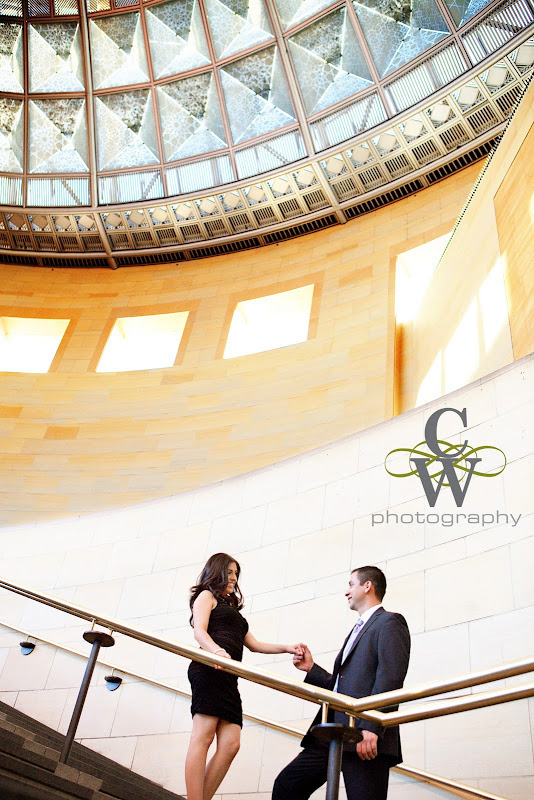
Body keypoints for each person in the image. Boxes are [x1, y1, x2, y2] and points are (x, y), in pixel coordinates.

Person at [272, 565, 410, 800]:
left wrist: (372, 727)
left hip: (363, 736)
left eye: (351, 584)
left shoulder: (389, 622)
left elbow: (390, 678)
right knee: (287, 786)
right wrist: (311, 669)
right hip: (332, 734)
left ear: (368, 586)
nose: (346, 592)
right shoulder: (357, 630)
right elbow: (342, 687)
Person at [185, 552, 305, 800]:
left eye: (236, 573)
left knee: (231, 744)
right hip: (209, 667)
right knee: (203, 736)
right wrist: (217, 652)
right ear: (216, 571)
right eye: (229, 572)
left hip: (229, 676)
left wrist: (287, 648)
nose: (233, 577)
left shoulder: (233, 610)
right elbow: (199, 631)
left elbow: (255, 644)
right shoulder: (205, 596)